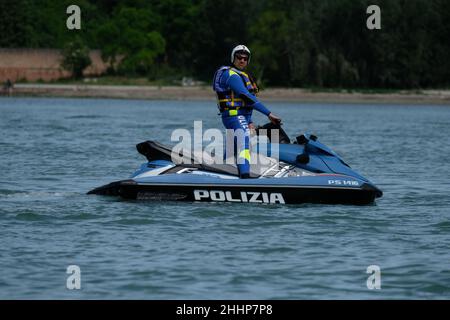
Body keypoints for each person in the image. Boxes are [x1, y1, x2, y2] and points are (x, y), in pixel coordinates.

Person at [212, 45, 281, 178]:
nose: (242, 60)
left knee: (232, 149)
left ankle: (223, 174)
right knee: (244, 146)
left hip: (238, 117)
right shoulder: (231, 75)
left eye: (245, 58)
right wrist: (268, 113)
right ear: (233, 58)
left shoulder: (243, 75)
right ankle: (245, 178)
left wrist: (249, 121)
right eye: (239, 57)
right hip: (234, 117)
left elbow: (244, 103)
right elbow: (245, 96)